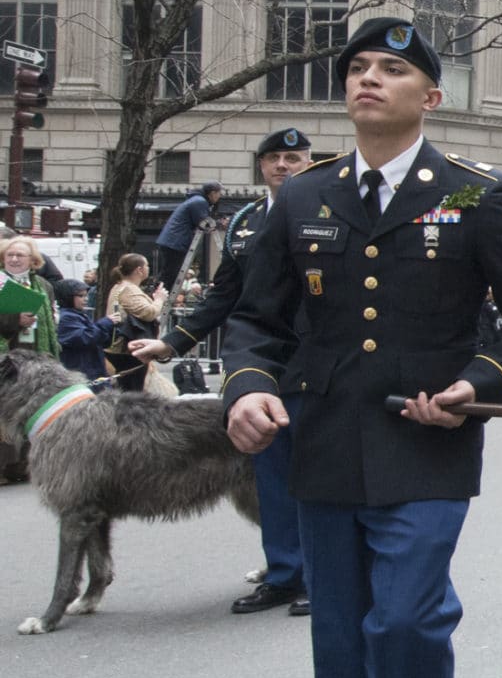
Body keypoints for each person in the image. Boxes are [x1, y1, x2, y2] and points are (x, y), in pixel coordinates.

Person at [221, 16, 502, 678]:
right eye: (358, 67)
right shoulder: (302, 198)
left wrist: (476, 383)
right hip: (326, 445)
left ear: (430, 97)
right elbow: (257, 318)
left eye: (392, 69)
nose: (369, 78)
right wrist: (247, 387)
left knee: (403, 625)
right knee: (339, 642)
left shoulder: (477, 196)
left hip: (427, 444)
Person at [129, 126, 318, 615]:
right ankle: (284, 574)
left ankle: (324, 578)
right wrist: (170, 343)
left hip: (319, 361)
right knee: (270, 475)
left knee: (318, 475)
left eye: (294, 158)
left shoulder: (329, 209)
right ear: (261, 167)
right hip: (261, 363)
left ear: (309, 163)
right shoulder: (244, 223)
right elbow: (223, 295)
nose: (283, 165)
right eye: (274, 157)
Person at [103, 253, 167, 393]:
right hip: (128, 348)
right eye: (147, 266)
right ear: (139, 270)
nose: (148, 269)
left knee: (127, 387)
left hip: (120, 346)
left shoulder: (120, 287)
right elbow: (148, 313)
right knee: (132, 389)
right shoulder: (128, 289)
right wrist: (160, 299)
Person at [155, 181, 224, 284]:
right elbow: (204, 223)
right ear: (213, 193)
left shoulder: (196, 200)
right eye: (219, 193)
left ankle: (160, 294)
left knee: (169, 273)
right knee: (171, 274)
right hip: (175, 242)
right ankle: (161, 296)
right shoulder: (200, 202)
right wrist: (220, 223)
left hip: (173, 241)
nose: (220, 196)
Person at [2, 235, 58, 359]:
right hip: (6, 357)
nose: (14, 259)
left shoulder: (44, 285)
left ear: (33, 260)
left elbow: (52, 320)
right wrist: (15, 320)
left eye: (20, 255)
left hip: (36, 354)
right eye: (10, 255)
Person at [53, 279, 115, 380]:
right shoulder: (66, 318)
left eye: (86, 295)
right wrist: (105, 323)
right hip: (81, 371)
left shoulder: (78, 314)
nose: (86, 299)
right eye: (81, 296)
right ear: (68, 297)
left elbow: (98, 340)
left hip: (92, 368)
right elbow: (85, 337)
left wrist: (113, 330)